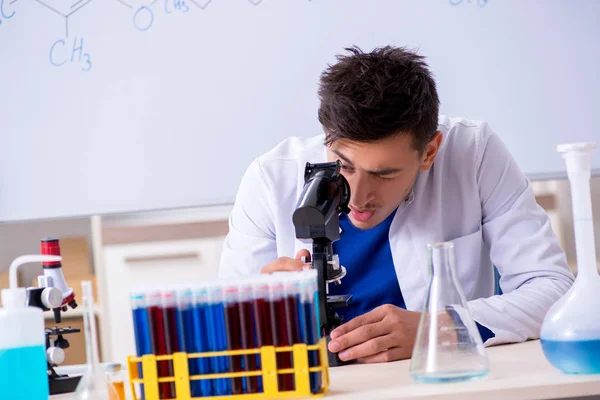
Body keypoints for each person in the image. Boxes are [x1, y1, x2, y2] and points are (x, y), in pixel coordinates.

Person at [219, 46, 574, 363]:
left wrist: (439, 329)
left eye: (384, 174)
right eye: (344, 165)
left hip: (444, 381)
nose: (358, 196)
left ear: (429, 152)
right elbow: (226, 328)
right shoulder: (271, 178)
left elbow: (552, 289)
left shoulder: (473, 153)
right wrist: (262, 306)